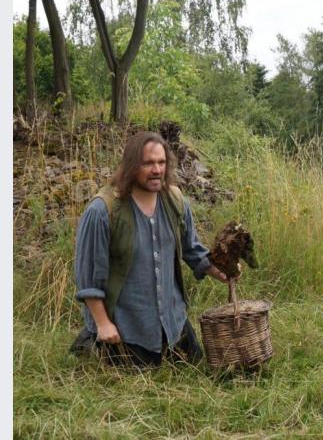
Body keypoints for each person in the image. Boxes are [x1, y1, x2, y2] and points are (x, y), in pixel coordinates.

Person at [71, 131, 228, 366]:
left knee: (197, 368)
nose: (157, 170)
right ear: (131, 166)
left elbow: (191, 247)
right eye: (148, 163)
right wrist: (103, 324)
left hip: (174, 326)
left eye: (161, 162)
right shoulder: (102, 211)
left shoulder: (175, 201)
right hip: (127, 329)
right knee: (132, 376)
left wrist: (217, 269)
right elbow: (88, 276)